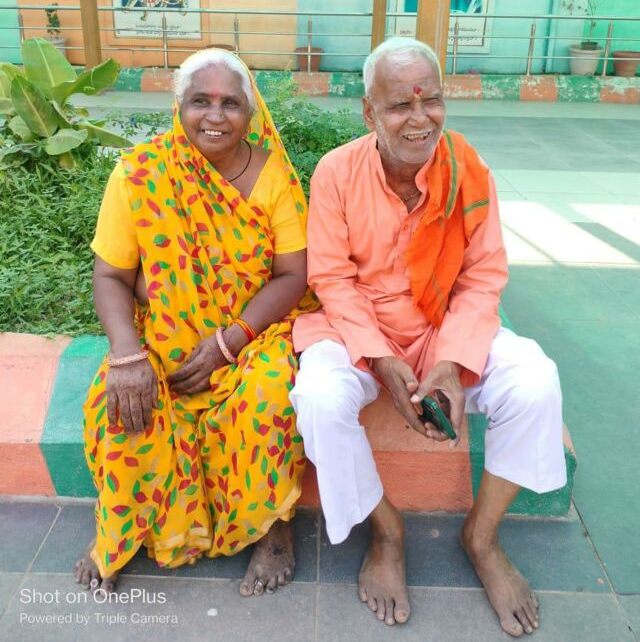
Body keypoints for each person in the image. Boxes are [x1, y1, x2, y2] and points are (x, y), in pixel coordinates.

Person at [290, 37, 566, 637]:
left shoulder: (467, 169)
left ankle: (482, 537)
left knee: (535, 381)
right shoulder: (336, 171)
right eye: (400, 106)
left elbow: (483, 275)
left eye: (432, 100)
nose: (420, 119)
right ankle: (387, 533)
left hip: (444, 324)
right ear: (369, 112)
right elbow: (332, 279)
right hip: (360, 330)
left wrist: (451, 361)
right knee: (318, 398)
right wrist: (380, 359)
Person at [75, 48, 315, 596]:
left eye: (231, 103)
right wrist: (128, 355)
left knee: (271, 397)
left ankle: (274, 527)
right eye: (200, 101)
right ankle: (120, 528)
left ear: (251, 115)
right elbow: (110, 275)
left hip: (253, 335)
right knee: (122, 406)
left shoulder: (274, 176)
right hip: (164, 337)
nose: (215, 115)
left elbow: (292, 275)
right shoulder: (140, 173)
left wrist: (229, 342)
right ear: (178, 107)